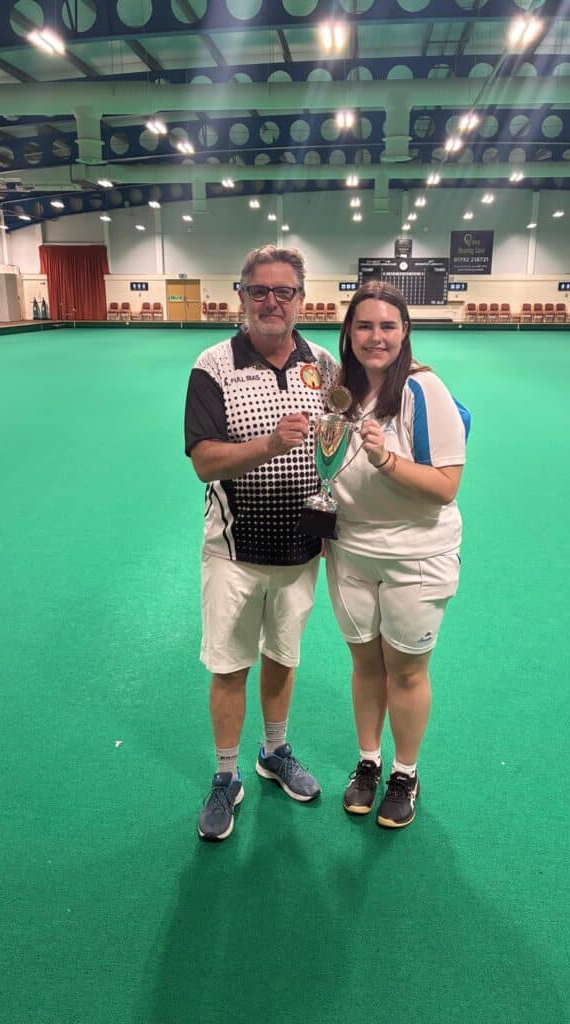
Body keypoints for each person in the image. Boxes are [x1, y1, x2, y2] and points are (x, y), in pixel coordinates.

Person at [184, 245, 338, 841]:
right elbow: (204, 461)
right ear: (241, 296)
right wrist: (271, 445)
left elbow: (340, 444)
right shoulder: (213, 365)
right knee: (230, 667)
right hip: (234, 550)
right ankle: (225, 775)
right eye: (259, 291)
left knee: (283, 656)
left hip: (301, 551)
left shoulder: (323, 364)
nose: (272, 302)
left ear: (301, 298)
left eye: (284, 291)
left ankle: (274, 752)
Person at [324, 281, 470, 829]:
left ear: (405, 331)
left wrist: (386, 461)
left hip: (417, 554)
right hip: (350, 551)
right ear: (349, 332)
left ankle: (405, 773)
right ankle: (368, 762)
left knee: (406, 671)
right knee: (365, 664)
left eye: (388, 326)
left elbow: (446, 486)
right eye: (364, 325)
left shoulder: (424, 389)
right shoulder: (338, 391)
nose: (376, 337)